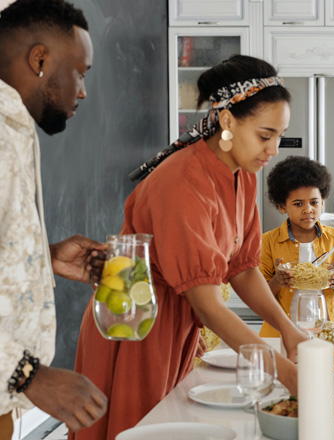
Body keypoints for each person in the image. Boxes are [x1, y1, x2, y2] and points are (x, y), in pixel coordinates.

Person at [72, 55, 308, 440]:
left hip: (175, 323)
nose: (274, 149)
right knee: (137, 429)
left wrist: (287, 328)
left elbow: (243, 268)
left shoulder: (242, 173)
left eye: (279, 136)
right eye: (265, 135)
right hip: (137, 322)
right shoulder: (182, 180)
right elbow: (209, 304)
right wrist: (286, 373)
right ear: (228, 121)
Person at [0, 1, 108, 437]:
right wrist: (28, 374)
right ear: (40, 59)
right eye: (81, 72)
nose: (82, 90)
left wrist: (42, 260)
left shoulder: (15, 131)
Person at [258, 155, 334, 337]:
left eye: (314, 202)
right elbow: (259, 296)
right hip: (281, 334)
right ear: (282, 206)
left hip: (326, 332)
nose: (308, 209)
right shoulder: (268, 242)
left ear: (322, 202)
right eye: (298, 204)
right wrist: (278, 280)